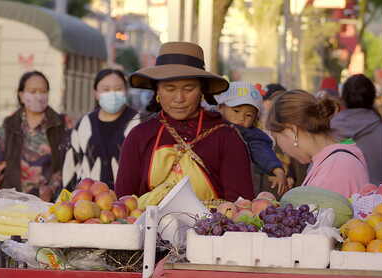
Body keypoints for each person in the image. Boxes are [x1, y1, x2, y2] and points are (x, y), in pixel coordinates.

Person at [115, 42, 254, 202]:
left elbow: (240, 206)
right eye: (170, 89)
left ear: (202, 90)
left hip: (210, 227)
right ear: (157, 91)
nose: (179, 99)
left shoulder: (226, 138)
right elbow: (124, 204)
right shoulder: (139, 136)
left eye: (188, 89)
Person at [0, 71, 69, 202]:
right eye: (32, 91)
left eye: (43, 91)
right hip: (13, 204)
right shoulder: (9, 127)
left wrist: (52, 190)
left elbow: (67, 167)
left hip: (50, 206)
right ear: (21, 95)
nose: (38, 96)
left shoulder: (61, 125)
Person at [266, 90, 369, 198]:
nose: (283, 150)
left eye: (277, 139)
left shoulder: (334, 169)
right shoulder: (333, 160)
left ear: (292, 131)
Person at [63, 69, 140, 190]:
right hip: (87, 201)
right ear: (96, 93)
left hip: (127, 201)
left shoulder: (138, 123)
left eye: (118, 89)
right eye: (106, 89)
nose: (113, 94)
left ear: (126, 91)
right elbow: (71, 165)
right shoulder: (84, 123)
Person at [215, 81, 287, 195]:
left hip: (235, 188)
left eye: (248, 115)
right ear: (220, 107)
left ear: (255, 118)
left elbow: (261, 150)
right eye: (236, 111)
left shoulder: (249, 134)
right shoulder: (209, 126)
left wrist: (276, 169)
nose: (241, 118)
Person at [331, 74, 382, 185]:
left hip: (335, 199)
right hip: (376, 199)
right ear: (373, 98)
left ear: (343, 98)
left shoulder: (329, 128)